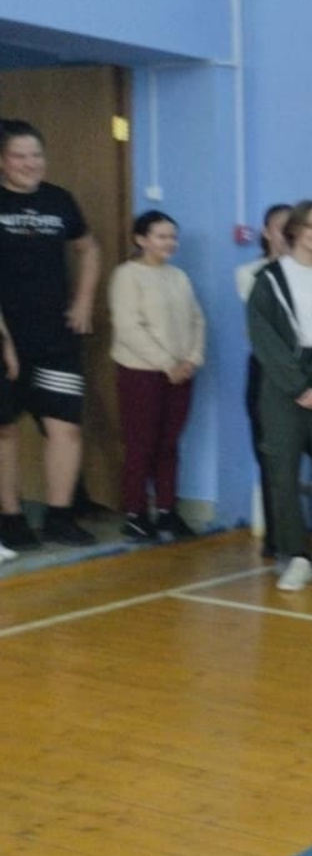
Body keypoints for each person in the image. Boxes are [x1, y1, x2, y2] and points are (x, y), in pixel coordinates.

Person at [0, 119, 101, 549]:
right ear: (2, 161)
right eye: (19, 156)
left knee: (65, 427)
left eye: (36, 155)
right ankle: (10, 518)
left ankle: (60, 517)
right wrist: (5, 339)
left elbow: (88, 248)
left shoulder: (59, 199)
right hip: (6, 335)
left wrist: (83, 301)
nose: (30, 163)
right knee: (5, 430)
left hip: (55, 338)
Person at [246, 200, 312, 591]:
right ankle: (293, 556)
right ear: (294, 230)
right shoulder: (269, 279)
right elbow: (263, 337)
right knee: (283, 472)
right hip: (282, 386)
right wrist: (296, 385)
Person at [109, 211, 205, 541]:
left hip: (180, 375)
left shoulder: (178, 277)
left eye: (172, 236)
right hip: (141, 374)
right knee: (141, 444)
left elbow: (197, 319)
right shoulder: (127, 276)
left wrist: (191, 359)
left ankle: (167, 511)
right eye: (162, 236)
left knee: (169, 444)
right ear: (141, 239)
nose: (170, 242)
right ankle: (135, 513)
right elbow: (128, 328)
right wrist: (167, 363)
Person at [237, 203, 292, 558]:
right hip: (265, 369)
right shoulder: (250, 273)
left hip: (305, 372)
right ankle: (277, 536)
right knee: (269, 454)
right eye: (281, 228)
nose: (288, 234)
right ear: (267, 232)